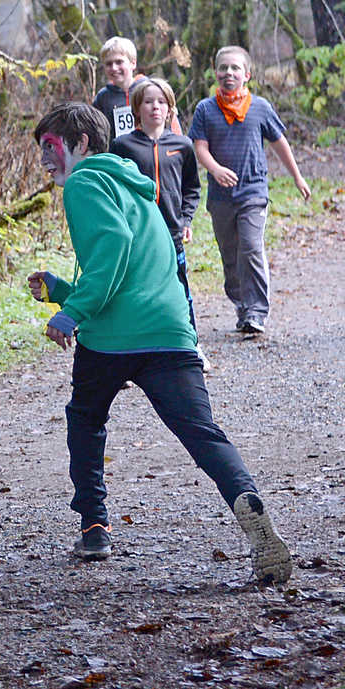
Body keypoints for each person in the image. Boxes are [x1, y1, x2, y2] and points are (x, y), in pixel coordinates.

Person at [27, 102, 291, 584]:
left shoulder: (85, 183)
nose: (44, 158)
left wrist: (71, 313)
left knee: (85, 421)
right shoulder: (136, 188)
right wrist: (63, 290)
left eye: (51, 147)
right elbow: (133, 264)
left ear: (80, 144)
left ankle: (94, 525)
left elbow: (112, 247)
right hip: (169, 330)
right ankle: (246, 500)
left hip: (110, 340)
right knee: (202, 434)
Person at [189, 45, 311, 334]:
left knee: (251, 248)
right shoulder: (206, 109)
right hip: (220, 197)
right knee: (230, 255)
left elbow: (280, 143)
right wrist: (215, 170)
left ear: (247, 74)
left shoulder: (260, 108)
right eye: (223, 68)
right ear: (215, 73)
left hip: (253, 191)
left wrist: (297, 177)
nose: (229, 73)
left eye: (235, 68)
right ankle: (242, 305)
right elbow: (199, 148)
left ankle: (256, 311)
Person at [109, 77, 210, 370]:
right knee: (131, 292)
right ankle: (125, 355)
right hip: (136, 237)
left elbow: (191, 188)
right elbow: (114, 187)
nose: (155, 107)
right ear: (136, 109)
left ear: (170, 109)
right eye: (148, 102)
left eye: (161, 102)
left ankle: (190, 346)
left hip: (172, 234)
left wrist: (187, 218)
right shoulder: (122, 145)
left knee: (180, 292)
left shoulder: (182, 145)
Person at [93, 36, 181, 142]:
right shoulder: (102, 98)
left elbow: (172, 122)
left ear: (133, 63)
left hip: (151, 151)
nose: (114, 68)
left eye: (119, 62)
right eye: (108, 64)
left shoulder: (151, 90)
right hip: (117, 154)